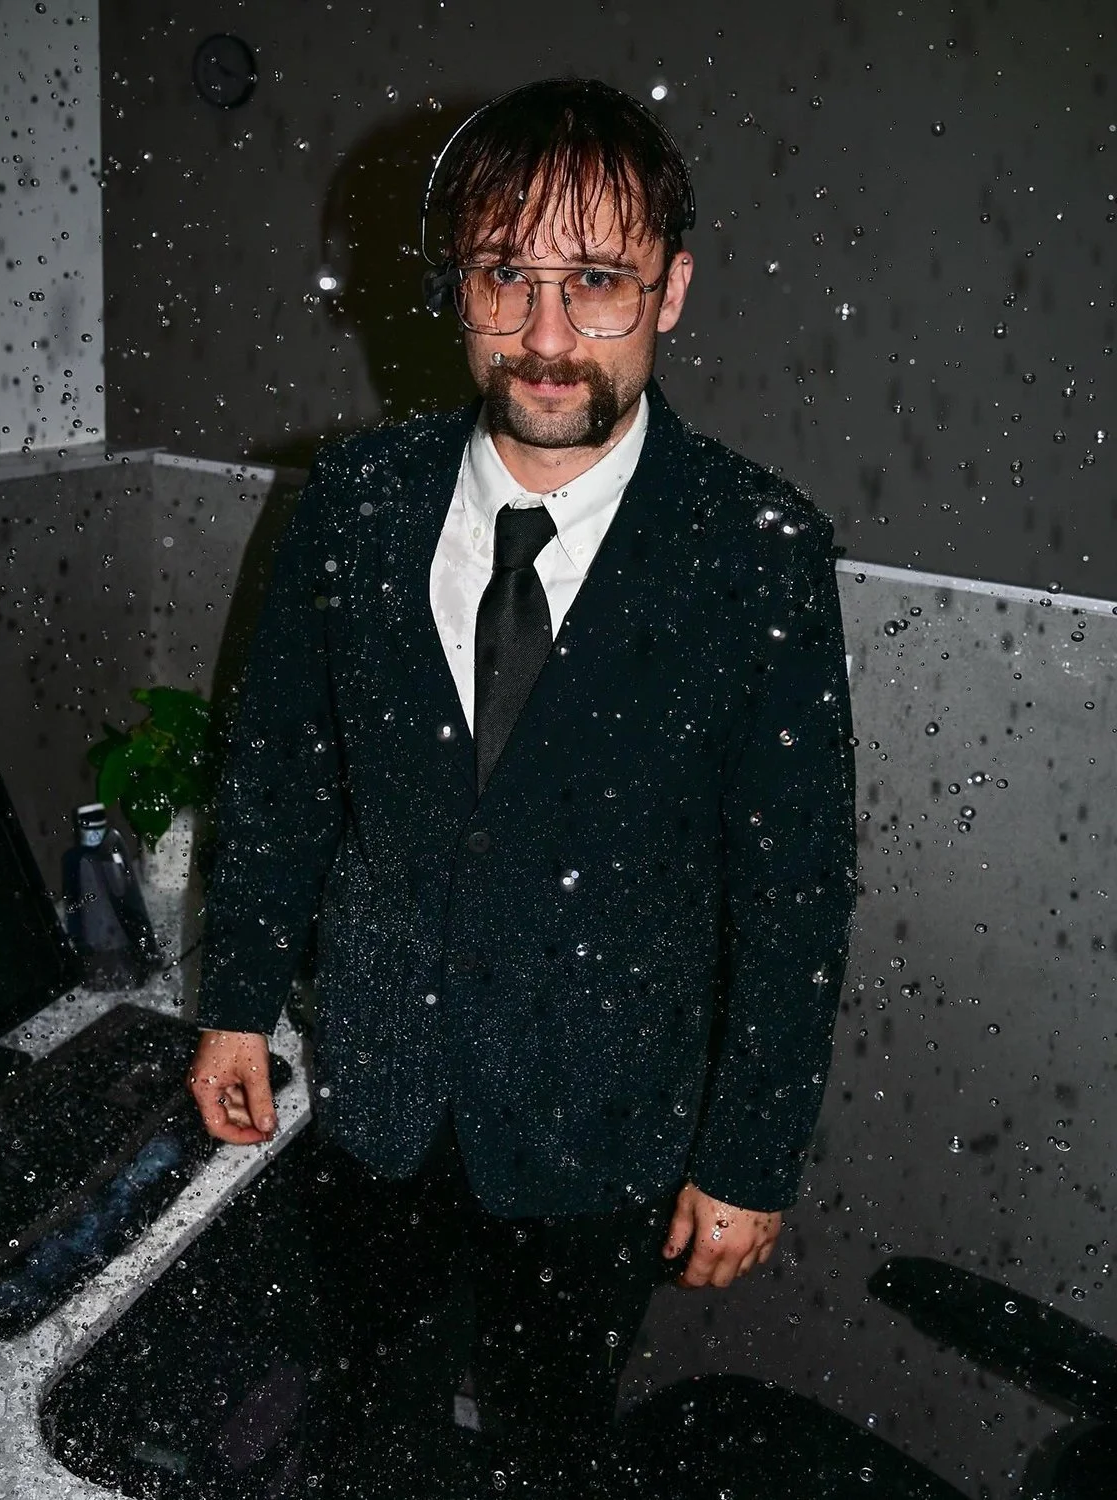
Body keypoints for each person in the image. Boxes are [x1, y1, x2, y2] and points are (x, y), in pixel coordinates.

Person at [186, 76, 857, 1500]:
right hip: (375, 1095)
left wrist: (751, 1153)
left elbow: (795, 884)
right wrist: (238, 999)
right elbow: (282, 775)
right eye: (508, 278)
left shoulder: (757, 549)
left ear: (671, 290)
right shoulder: (354, 501)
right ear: (459, 287)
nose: (550, 338)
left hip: (598, 1129)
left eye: (598, 282)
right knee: (365, 1409)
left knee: (553, 1441)